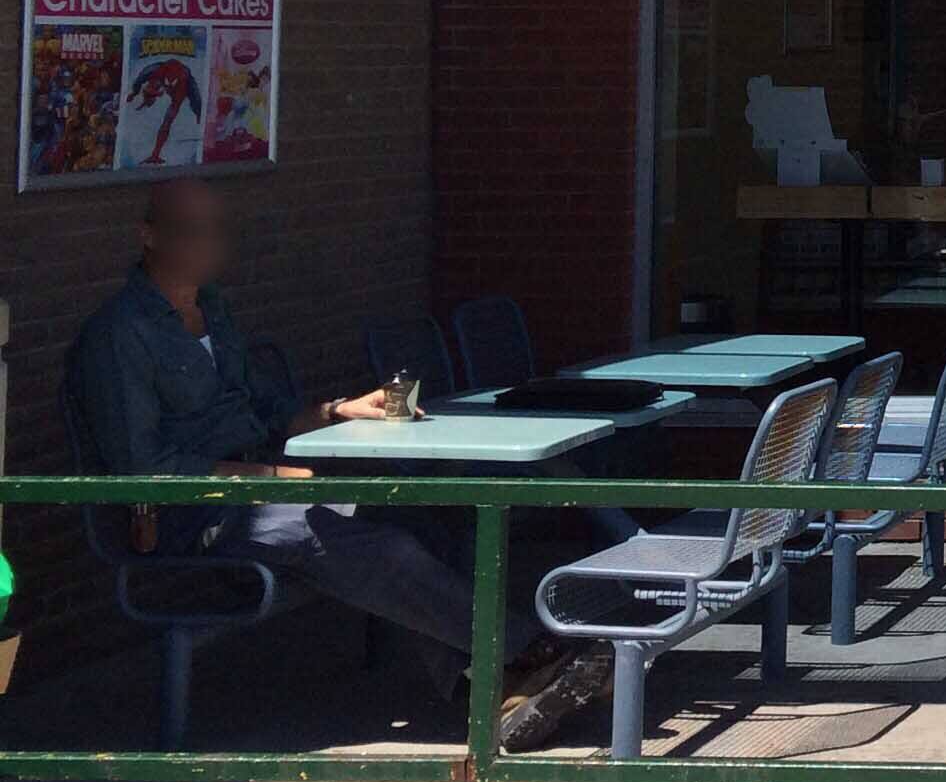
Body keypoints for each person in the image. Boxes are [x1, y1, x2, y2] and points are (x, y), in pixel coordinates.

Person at [68, 180, 609, 752]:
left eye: (218, 231)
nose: (210, 245)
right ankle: (527, 652)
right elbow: (143, 468)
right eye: (192, 232)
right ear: (148, 235)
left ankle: (494, 688)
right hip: (187, 518)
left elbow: (269, 412)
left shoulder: (214, 312)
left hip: (263, 488)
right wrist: (270, 479)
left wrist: (339, 410)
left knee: (412, 509)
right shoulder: (118, 335)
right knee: (356, 541)